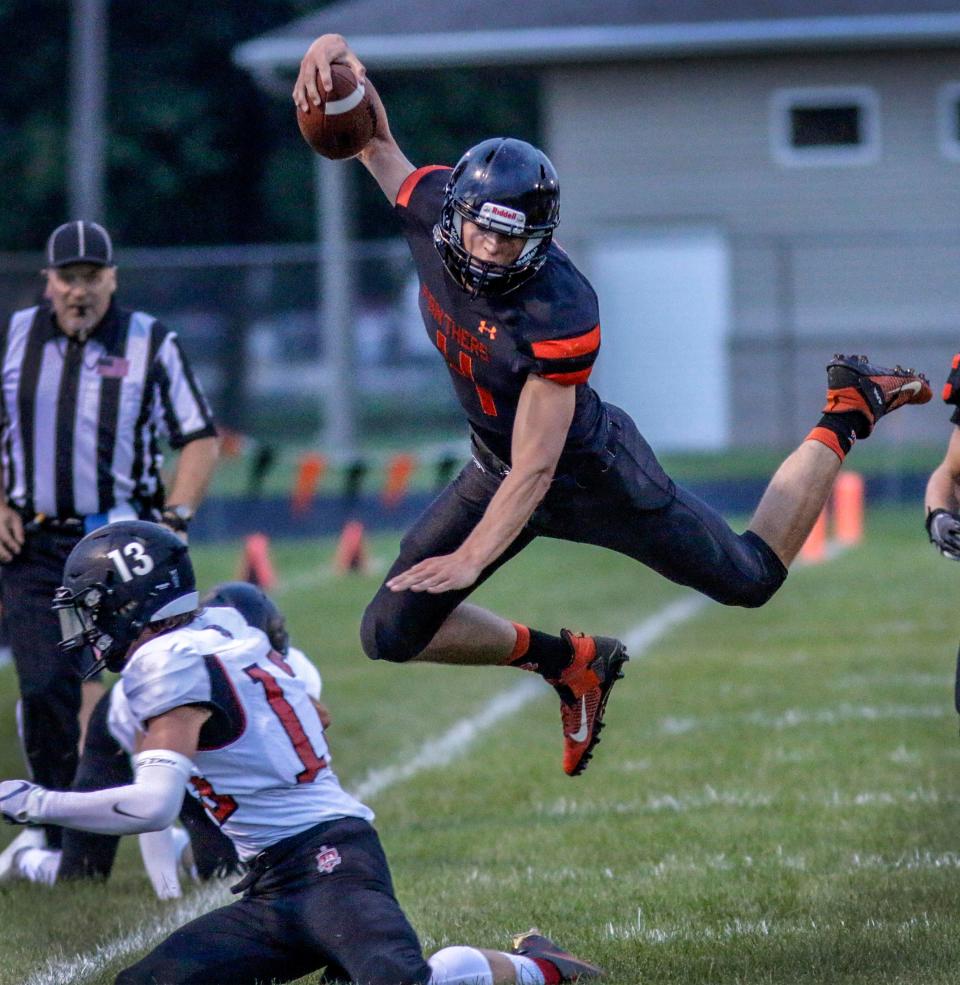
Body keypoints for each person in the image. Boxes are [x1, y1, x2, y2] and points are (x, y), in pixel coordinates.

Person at [293, 35, 933, 779]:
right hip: (492, 464)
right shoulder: (433, 207)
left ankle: (848, 408)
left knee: (750, 578)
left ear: (538, 238)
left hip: (590, 472)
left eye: (509, 237)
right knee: (392, 629)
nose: (488, 248)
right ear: (456, 209)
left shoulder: (557, 307)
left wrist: (470, 555)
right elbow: (372, 142)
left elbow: (535, 470)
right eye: (477, 227)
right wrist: (332, 53)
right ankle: (570, 662)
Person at [0, 522, 601, 984]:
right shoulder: (223, 629)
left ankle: (535, 968)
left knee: (397, 979)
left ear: (128, 602)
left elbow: (154, 807)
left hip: (333, 862)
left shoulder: (167, 663)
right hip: (272, 884)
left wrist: (33, 802)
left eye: (94, 604)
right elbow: (312, 714)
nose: (87, 623)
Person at [0, 221, 218, 853]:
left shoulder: (152, 341)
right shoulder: (13, 337)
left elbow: (198, 436)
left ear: (112, 278)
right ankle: (55, 830)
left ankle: (207, 826)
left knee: (165, 685)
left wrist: (175, 517)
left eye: (92, 277)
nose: (79, 291)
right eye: (68, 277)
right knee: (47, 688)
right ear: (48, 281)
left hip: (128, 550)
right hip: (36, 544)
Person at [0, 581, 318, 897]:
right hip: (114, 742)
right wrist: (167, 888)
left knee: (221, 868)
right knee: (81, 873)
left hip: (194, 751)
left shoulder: (290, 673)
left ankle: (187, 851)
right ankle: (27, 861)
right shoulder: (170, 682)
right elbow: (153, 802)